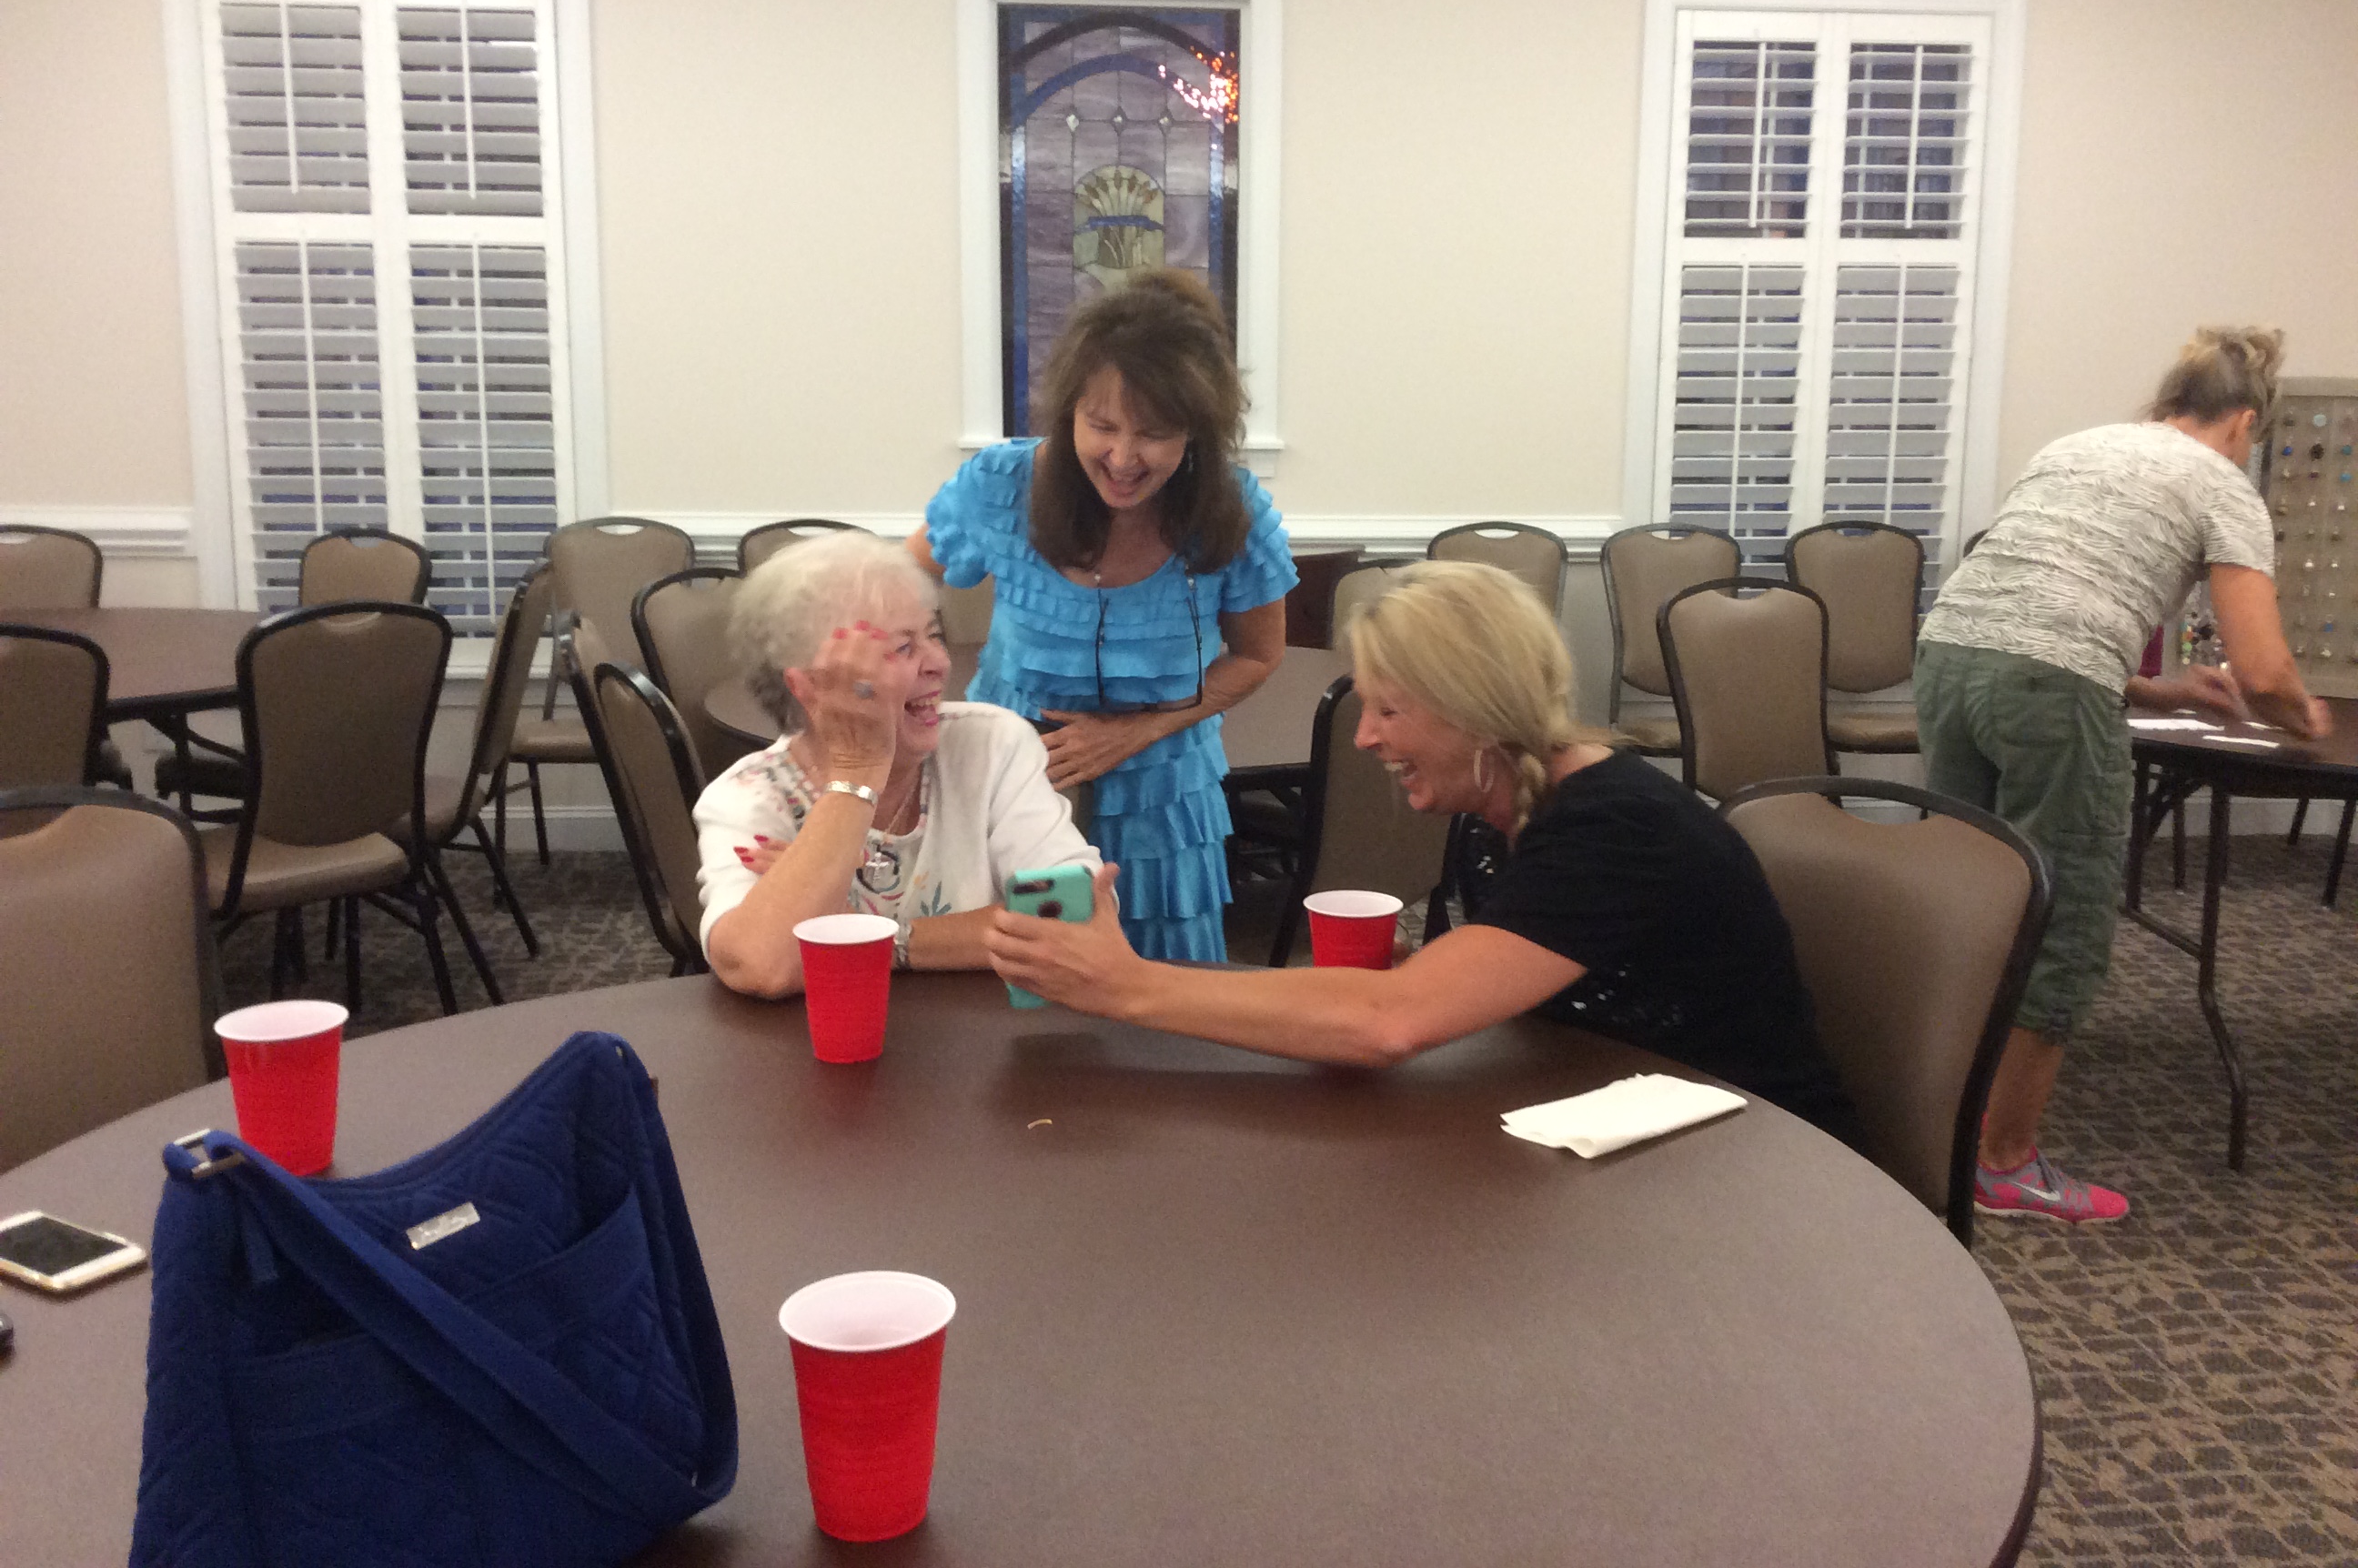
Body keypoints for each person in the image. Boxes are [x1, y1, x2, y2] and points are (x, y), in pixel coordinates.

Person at [982, 561, 1862, 1141]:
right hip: (1618, 1126)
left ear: (1474, 707)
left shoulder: (1618, 828)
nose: (1365, 737)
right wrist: (1421, 975)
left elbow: (1389, 1022)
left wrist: (1127, 985)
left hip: (1745, 1166)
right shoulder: (1501, 807)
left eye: (1390, 710)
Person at [1915, 325, 2329, 1223]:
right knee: (2060, 919)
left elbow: (2027, 608)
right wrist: (2305, 717)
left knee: (1967, 895)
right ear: (2243, 421)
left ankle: (1926, 1120)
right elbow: (2264, 672)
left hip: (1947, 657)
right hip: (2048, 690)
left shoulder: (2076, 446)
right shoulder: (2220, 481)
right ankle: (2002, 1162)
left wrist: (2156, 687)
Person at [907, 269, 1296, 962]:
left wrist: (1134, 733)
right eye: (1102, 425)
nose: (1121, 457)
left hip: (1161, 804)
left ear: (1196, 432)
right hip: (1008, 790)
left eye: (1153, 434)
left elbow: (1259, 656)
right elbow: (896, 586)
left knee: (1160, 993)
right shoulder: (1002, 485)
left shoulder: (1233, 510)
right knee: (1014, 984)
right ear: (1069, 414)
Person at [695, 530, 1097, 999]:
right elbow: (762, 965)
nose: (939, 663)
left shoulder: (989, 744)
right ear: (810, 687)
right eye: (902, 648)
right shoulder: (750, 797)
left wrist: (873, 936)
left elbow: (1076, 915)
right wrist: (858, 771)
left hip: (986, 1035)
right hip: (829, 1039)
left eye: (934, 635)